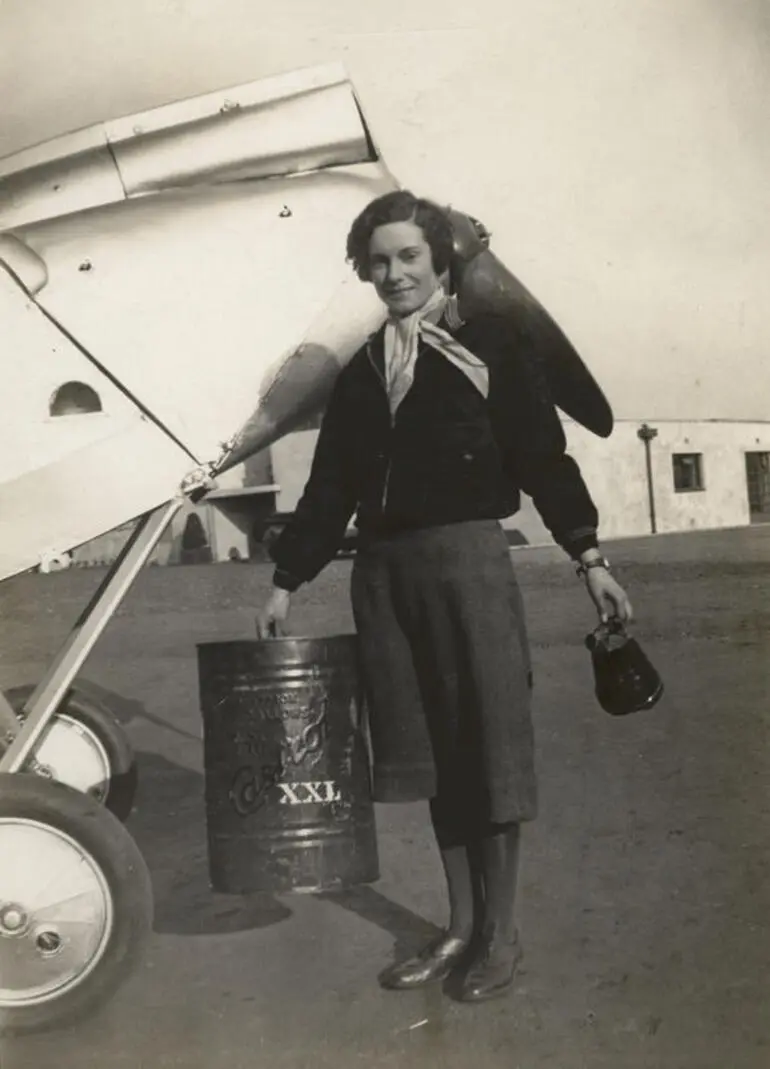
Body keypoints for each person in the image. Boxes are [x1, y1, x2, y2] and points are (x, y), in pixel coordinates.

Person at [256, 190, 633, 1003]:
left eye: (408, 258)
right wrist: (288, 578)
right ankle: (458, 925)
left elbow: (543, 456)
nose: (393, 274)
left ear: (441, 261)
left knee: (486, 750)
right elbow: (332, 485)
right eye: (379, 261)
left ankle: (502, 934)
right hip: (384, 577)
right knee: (429, 755)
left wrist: (589, 556)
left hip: (467, 564)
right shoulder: (362, 368)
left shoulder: (491, 343)